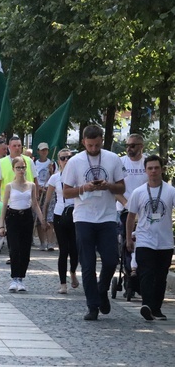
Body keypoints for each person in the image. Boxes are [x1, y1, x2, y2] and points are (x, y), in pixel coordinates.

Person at [62, 124, 125, 321]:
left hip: (107, 216)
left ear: (102, 140)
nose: (93, 149)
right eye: (90, 146)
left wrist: (108, 186)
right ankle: (92, 305)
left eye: (97, 145)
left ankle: (102, 289)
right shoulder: (75, 161)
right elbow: (66, 191)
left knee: (111, 259)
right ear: (83, 143)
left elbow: (121, 187)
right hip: (84, 217)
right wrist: (84, 188)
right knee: (87, 264)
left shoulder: (112, 159)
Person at [126, 155, 174, 321]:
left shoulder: (170, 191)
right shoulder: (138, 192)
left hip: (165, 241)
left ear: (161, 169)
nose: (153, 171)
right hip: (144, 240)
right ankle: (146, 305)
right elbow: (131, 217)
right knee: (146, 273)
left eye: (156, 168)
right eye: (150, 168)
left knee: (161, 276)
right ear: (145, 171)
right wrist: (128, 239)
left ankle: (157, 309)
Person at [0, 157, 45, 292]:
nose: (21, 170)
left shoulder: (31, 185)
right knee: (14, 248)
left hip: (26, 217)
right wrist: (1, 226)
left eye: (23, 167)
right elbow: (5, 206)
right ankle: (14, 277)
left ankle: (21, 278)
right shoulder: (9, 186)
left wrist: (42, 220)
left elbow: (35, 204)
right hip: (12, 217)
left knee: (25, 249)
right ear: (13, 169)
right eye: (18, 168)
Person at [43, 149, 79, 294]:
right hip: (60, 215)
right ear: (59, 161)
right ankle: (63, 283)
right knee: (63, 250)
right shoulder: (55, 178)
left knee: (75, 249)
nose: (66, 160)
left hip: (76, 215)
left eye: (69, 157)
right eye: (63, 158)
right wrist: (44, 219)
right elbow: (47, 200)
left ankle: (73, 272)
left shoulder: (78, 177)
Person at [115, 133, 147, 275]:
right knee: (127, 240)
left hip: (144, 211)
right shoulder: (120, 163)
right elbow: (115, 189)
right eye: (127, 145)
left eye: (133, 145)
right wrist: (127, 204)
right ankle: (129, 271)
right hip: (125, 209)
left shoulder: (148, 164)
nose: (129, 148)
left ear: (141, 147)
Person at [35, 142, 57, 251]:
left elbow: (55, 177)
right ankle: (42, 242)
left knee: (49, 217)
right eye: (42, 150)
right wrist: (38, 188)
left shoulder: (52, 163)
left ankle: (50, 242)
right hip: (38, 191)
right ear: (38, 151)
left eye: (46, 150)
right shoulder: (34, 163)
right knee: (39, 218)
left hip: (49, 191)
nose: (44, 152)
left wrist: (51, 171)